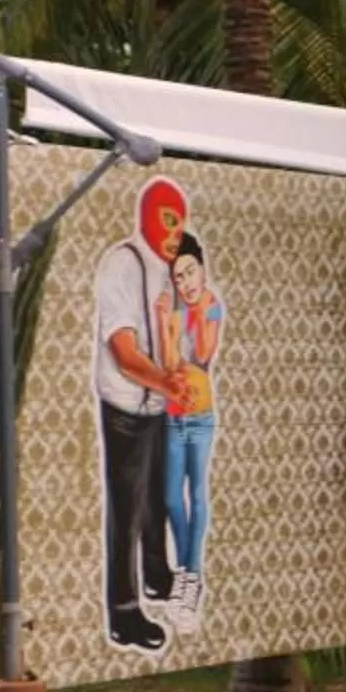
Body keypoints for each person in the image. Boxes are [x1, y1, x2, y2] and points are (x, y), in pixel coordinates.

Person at [94, 178, 191, 653]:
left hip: (155, 404)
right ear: (150, 217)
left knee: (156, 495)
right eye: (168, 221)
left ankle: (156, 574)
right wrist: (166, 382)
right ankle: (124, 611)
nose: (175, 233)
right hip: (127, 406)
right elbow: (124, 351)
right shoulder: (123, 264)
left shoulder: (166, 270)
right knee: (126, 510)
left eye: (181, 224)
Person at [156, 233, 222, 635]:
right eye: (178, 277)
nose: (186, 282)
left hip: (200, 416)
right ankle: (187, 572)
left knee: (196, 494)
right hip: (173, 415)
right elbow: (168, 363)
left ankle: (190, 579)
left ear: (202, 267)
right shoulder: (177, 313)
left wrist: (185, 316)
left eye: (190, 271)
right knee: (170, 498)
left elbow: (199, 354)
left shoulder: (210, 308)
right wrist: (166, 325)